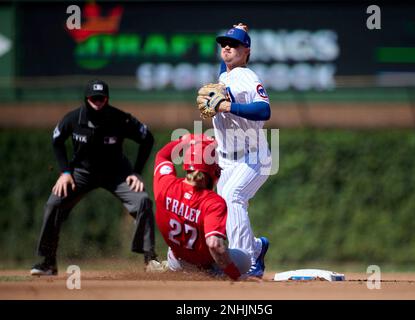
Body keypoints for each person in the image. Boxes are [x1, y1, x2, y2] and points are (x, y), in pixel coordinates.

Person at [31, 79, 162, 275]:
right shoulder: (73, 119)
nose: (98, 102)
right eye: (94, 98)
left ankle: (149, 259)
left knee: (142, 200)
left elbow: (147, 138)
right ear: (87, 99)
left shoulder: (120, 119)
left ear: (107, 98)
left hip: (117, 173)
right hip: (81, 173)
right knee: (53, 204)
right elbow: (57, 140)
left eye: (102, 98)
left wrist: (136, 172)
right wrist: (65, 172)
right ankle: (48, 262)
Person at [206, 23, 272, 277]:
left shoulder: (248, 77)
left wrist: (227, 106)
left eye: (233, 45)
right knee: (225, 207)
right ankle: (256, 248)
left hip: (253, 156)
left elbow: (264, 110)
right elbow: (226, 72)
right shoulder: (225, 76)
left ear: (247, 51)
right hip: (228, 160)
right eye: (224, 44)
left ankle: (245, 265)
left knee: (233, 197)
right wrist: (236, 31)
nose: (227, 48)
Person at [152, 134, 251, 280]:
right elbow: (214, 245)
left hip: (177, 261)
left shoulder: (165, 185)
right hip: (205, 266)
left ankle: (172, 267)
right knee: (246, 260)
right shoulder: (213, 202)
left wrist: (187, 140)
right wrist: (235, 275)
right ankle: (215, 274)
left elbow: (162, 156)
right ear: (212, 171)